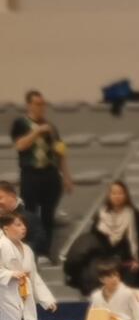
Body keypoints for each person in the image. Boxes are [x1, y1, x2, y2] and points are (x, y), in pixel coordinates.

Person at [9, 90, 74, 258]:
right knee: (29, 213)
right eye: (37, 104)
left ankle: (45, 252)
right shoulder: (21, 124)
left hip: (50, 174)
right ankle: (29, 251)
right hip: (31, 174)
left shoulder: (51, 127)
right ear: (29, 105)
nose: (41, 107)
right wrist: (37, 131)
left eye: (43, 104)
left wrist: (66, 176)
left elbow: (60, 152)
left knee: (48, 214)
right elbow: (20, 145)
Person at [0, 213, 56, 320]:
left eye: (23, 224)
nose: (23, 227)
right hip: (7, 299)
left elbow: (34, 277)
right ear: (5, 228)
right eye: (17, 225)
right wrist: (9, 274)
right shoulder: (1, 245)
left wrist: (46, 299)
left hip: (24, 297)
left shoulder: (27, 249)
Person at [91, 181, 139, 290]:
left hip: (129, 266)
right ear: (109, 195)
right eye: (114, 193)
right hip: (106, 266)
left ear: (126, 195)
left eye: (120, 193)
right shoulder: (101, 215)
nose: (117, 196)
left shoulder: (134, 214)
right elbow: (94, 239)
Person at [0, 180, 45, 259]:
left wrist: (15, 249)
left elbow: (39, 242)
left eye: (0, 198)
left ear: (12, 196)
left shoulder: (29, 218)